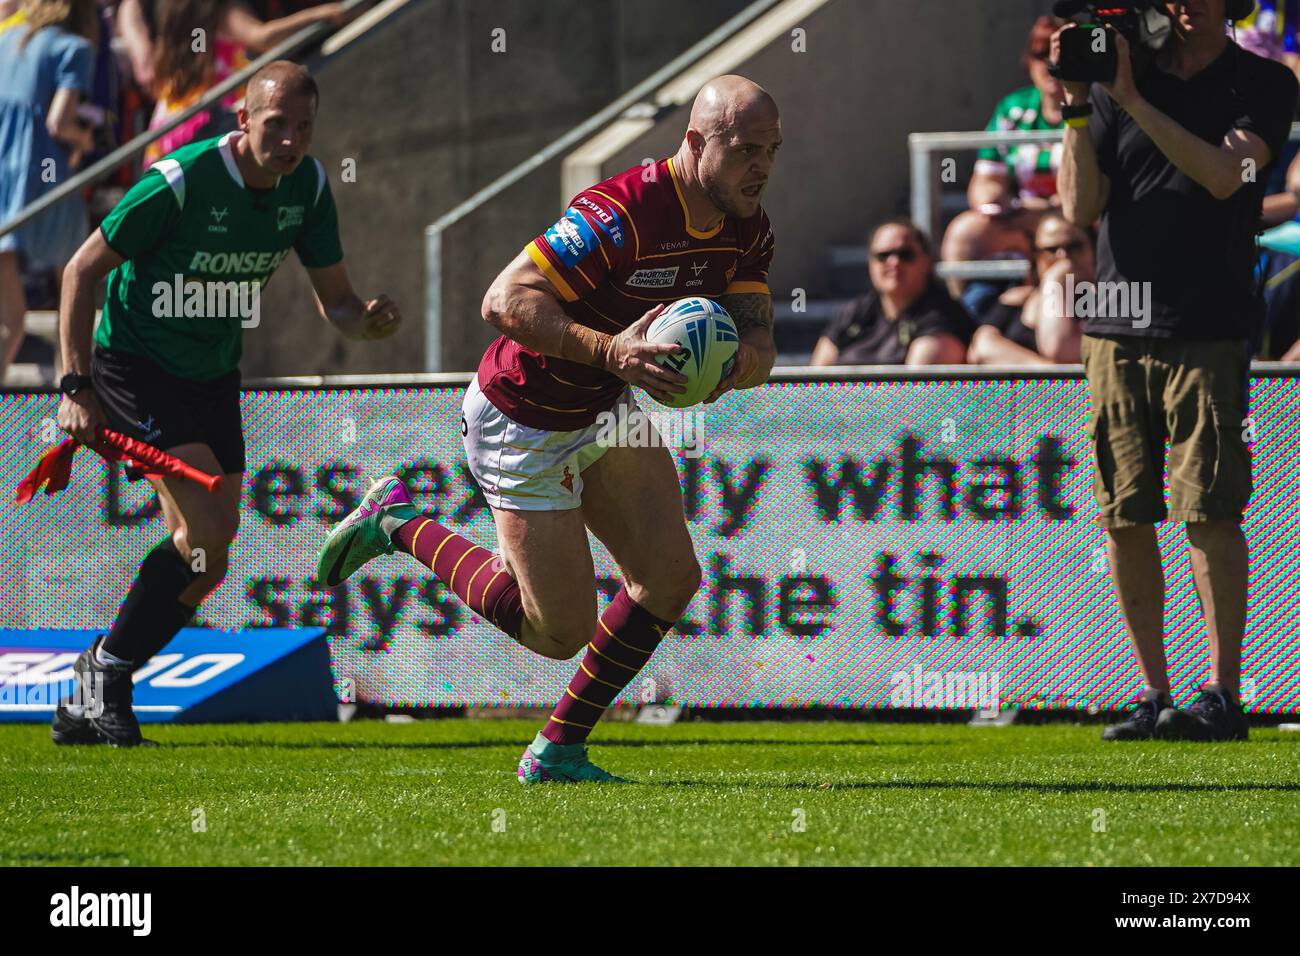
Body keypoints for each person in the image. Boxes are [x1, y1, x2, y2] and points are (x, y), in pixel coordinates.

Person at [319, 75, 780, 783]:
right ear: (694, 142)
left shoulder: (746, 223)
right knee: (556, 632)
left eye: (771, 151)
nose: (761, 168)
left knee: (668, 577)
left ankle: (557, 751)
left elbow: (761, 343)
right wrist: (611, 351)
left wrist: (731, 368)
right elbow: (502, 299)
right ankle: (400, 521)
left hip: (603, 412)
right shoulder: (620, 212)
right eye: (746, 149)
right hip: (521, 416)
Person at [51, 60, 401, 747]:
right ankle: (108, 677)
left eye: (304, 127)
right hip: (136, 366)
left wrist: (367, 321)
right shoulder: (181, 181)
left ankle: (97, 679)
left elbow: (336, 303)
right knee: (204, 535)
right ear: (242, 120)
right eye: (277, 125)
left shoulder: (309, 185)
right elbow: (79, 271)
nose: (292, 140)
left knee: (213, 556)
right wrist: (74, 386)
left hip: (212, 375)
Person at [1055, 0, 1299, 741]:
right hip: (1115, 318)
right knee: (1124, 511)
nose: (1182, 4)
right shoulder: (1114, 82)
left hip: (1207, 317)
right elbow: (1078, 206)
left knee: (1210, 508)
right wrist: (1075, 107)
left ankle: (1221, 695)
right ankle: (1153, 693)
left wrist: (1131, 99)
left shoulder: (1263, 81)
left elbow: (1227, 175)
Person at [0, 0, 98, 380]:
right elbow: (59, 122)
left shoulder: (7, 41)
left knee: (11, 322)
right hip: (45, 178)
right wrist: (85, 139)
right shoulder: (74, 48)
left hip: (4, 180)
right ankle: (69, 396)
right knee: (72, 288)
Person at [941, 15, 1068, 303]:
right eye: (1040, 54)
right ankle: (958, 321)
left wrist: (1051, 209)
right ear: (1028, 61)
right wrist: (998, 201)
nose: (1050, 64)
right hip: (1022, 218)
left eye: (1059, 55)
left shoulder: (1093, 106)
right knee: (964, 232)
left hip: (1077, 219)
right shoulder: (1014, 108)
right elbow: (986, 180)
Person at [143, 0, 351, 164]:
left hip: (171, 128)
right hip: (211, 122)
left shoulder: (178, 9)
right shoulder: (222, 8)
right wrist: (321, 14)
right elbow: (261, 36)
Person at [810, 218, 970, 366]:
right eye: (883, 256)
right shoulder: (854, 313)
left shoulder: (943, 317)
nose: (894, 263)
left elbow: (917, 392)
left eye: (905, 254)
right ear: (870, 263)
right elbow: (816, 381)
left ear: (928, 260)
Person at [967, 213, 1090, 366]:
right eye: (1051, 249)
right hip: (1021, 389)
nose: (1062, 256)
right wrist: (1047, 371)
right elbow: (982, 348)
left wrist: (1055, 280)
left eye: (1073, 246)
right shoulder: (1018, 299)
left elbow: (1061, 348)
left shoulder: (1105, 301)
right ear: (1035, 255)